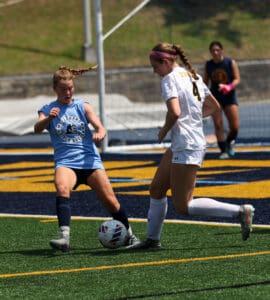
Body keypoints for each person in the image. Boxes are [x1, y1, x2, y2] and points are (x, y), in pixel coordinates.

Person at [127, 42, 254, 249]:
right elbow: (214, 106)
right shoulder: (193, 75)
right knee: (156, 189)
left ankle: (240, 212)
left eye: (155, 66)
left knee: (184, 206)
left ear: (166, 61)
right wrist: (192, 117)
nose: (154, 71)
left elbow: (175, 112)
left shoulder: (169, 79)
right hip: (185, 141)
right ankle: (152, 240)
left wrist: (164, 130)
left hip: (187, 144)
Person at [34, 65, 139, 252]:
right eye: (63, 89)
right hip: (66, 162)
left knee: (111, 202)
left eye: (71, 88)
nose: (68, 92)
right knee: (62, 187)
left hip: (90, 161)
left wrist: (100, 132)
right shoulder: (48, 109)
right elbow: (37, 128)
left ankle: (130, 236)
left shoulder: (82, 106)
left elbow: (100, 127)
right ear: (55, 89)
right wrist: (48, 118)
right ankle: (64, 237)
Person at [203, 41, 241, 159]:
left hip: (229, 97)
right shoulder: (209, 65)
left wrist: (228, 87)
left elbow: (237, 79)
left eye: (217, 50)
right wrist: (203, 97)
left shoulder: (230, 62)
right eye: (213, 50)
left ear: (222, 50)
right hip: (215, 98)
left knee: (235, 127)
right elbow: (205, 82)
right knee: (218, 125)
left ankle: (229, 143)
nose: (215, 52)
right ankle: (223, 150)